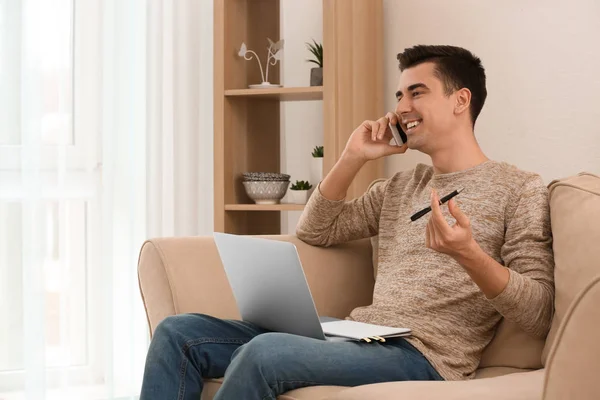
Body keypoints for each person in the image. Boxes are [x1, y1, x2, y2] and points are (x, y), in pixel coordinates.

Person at [139, 45, 555, 400]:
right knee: (179, 334)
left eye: (417, 92)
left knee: (263, 354)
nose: (402, 107)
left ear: (460, 100)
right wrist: (352, 157)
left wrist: (468, 254)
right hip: (359, 334)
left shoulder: (520, 189)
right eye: (399, 94)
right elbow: (316, 230)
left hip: (423, 355)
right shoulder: (399, 186)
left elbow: (538, 310)